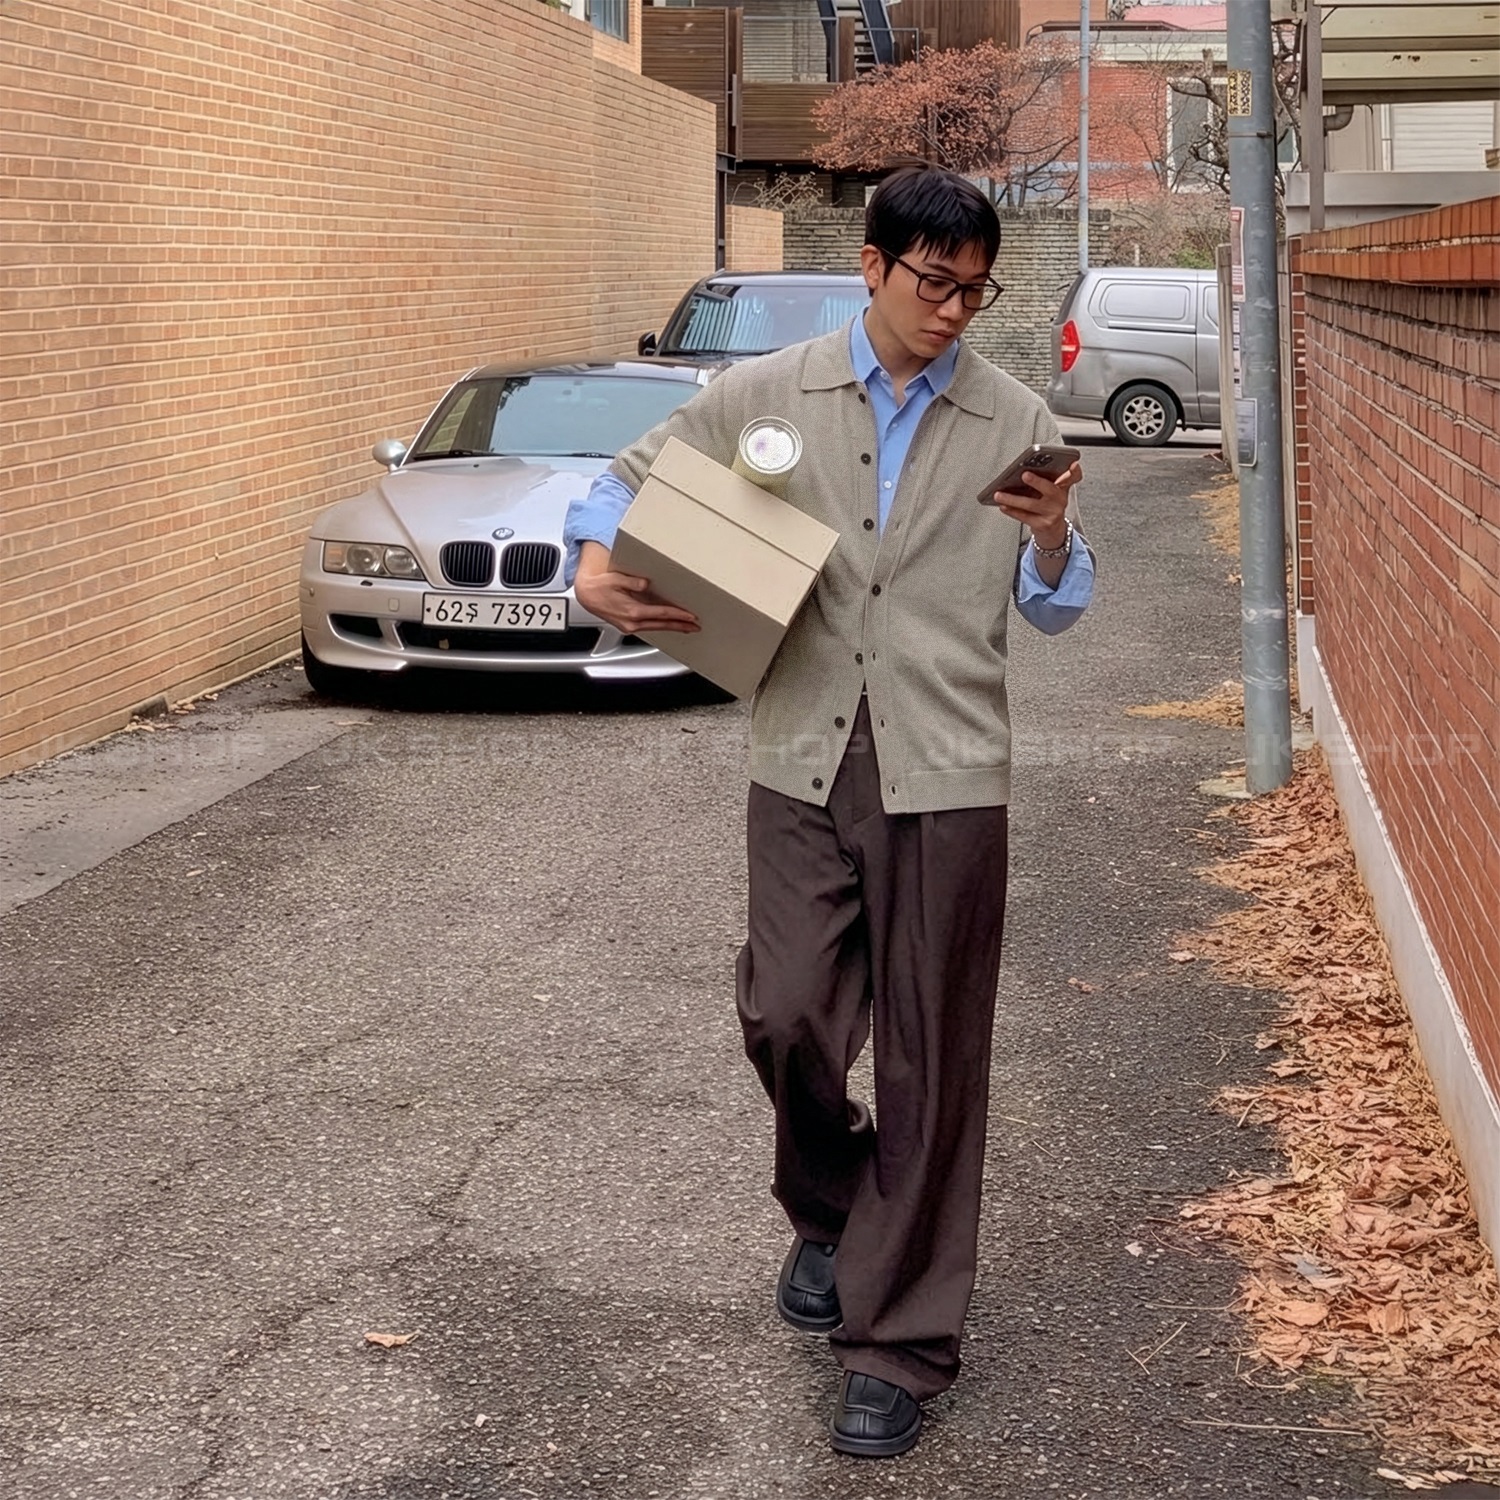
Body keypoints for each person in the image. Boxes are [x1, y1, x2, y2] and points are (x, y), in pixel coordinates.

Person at [563, 165, 1094, 1458]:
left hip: (950, 772)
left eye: (975, 291)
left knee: (932, 1057)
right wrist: (594, 564)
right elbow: (625, 481)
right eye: (934, 283)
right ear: (872, 265)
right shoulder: (767, 394)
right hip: (801, 752)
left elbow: (1057, 605)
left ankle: (899, 1345)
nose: (952, 311)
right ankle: (839, 1205)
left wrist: (1051, 538)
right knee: (786, 1011)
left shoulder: (1014, 416)